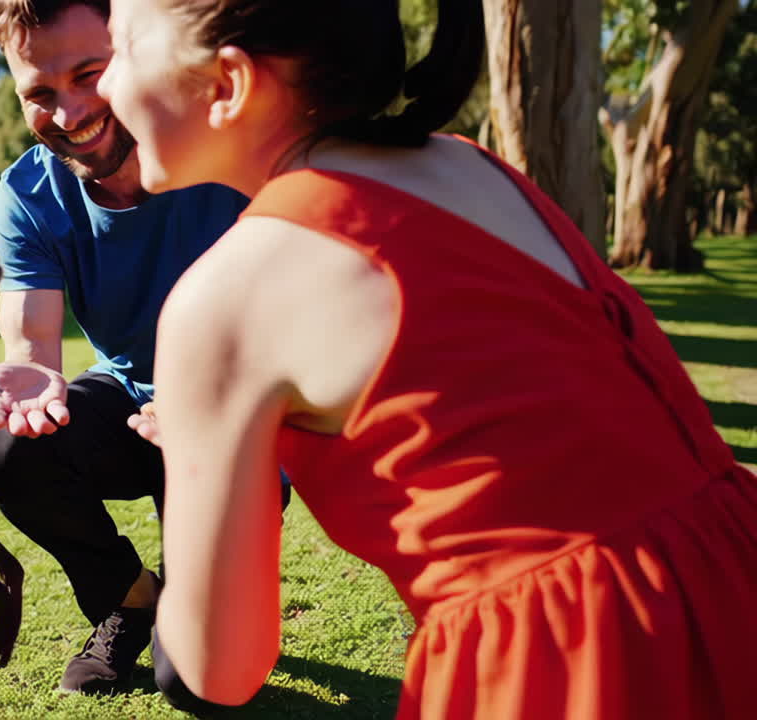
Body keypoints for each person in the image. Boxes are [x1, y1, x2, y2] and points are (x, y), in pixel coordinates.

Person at [98, 0, 757, 718]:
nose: (104, 85)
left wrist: (201, 458)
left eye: (123, 45)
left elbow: (217, 669)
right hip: (730, 580)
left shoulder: (223, 296)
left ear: (227, 83)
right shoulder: (475, 169)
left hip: (571, 670)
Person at [0, 0, 250, 696]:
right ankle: (131, 600)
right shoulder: (27, 196)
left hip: (234, 422)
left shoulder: (229, 149)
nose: (70, 113)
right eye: (40, 95)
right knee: (9, 448)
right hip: (130, 399)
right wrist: (29, 376)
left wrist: (222, 411)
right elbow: (33, 344)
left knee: (196, 684)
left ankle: (202, 599)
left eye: (90, 74)